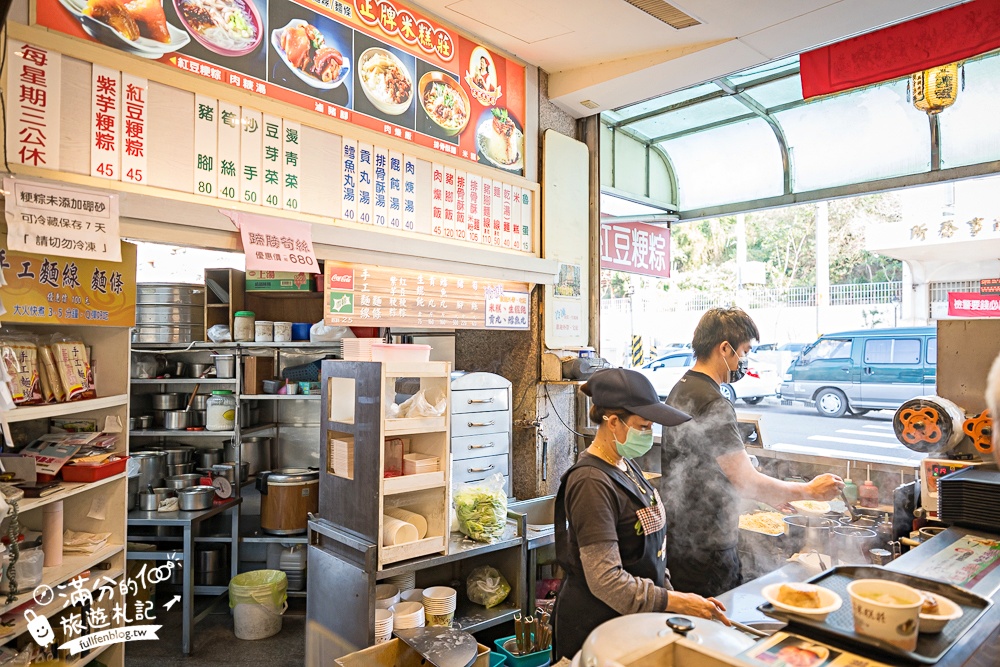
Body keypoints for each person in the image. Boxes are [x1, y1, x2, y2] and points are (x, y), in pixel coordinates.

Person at [659, 308, 845, 598]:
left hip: (680, 540)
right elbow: (746, 480)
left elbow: (705, 471)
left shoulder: (681, 388)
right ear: (724, 348)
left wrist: (774, 494)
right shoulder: (713, 403)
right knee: (717, 630)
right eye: (744, 351)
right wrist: (809, 491)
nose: (744, 360)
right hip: (709, 547)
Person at [552, 368, 730, 662]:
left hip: (633, 624)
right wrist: (675, 602)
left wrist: (672, 596)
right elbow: (606, 580)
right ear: (612, 422)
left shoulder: (625, 464)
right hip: (597, 631)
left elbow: (653, 552)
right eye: (644, 426)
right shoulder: (590, 483)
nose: (649, 434)